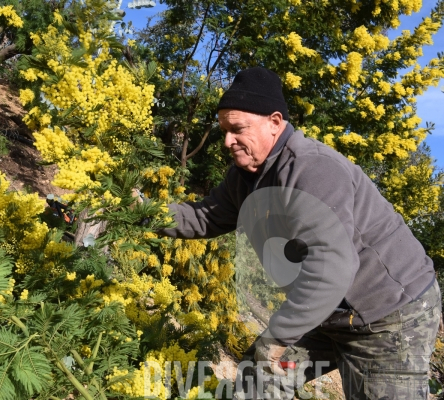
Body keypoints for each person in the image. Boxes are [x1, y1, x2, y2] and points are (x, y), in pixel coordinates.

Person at [159, 67, 442, 399]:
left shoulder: (314, 170)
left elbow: (330, 270)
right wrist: (142, 213)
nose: (227, 141)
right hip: (326, 313)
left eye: (237, 129)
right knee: (255, 384)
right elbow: (206, 216)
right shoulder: (245, 176)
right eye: (223, 130)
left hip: (387, 315)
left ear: (275, 122)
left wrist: (276, 338)